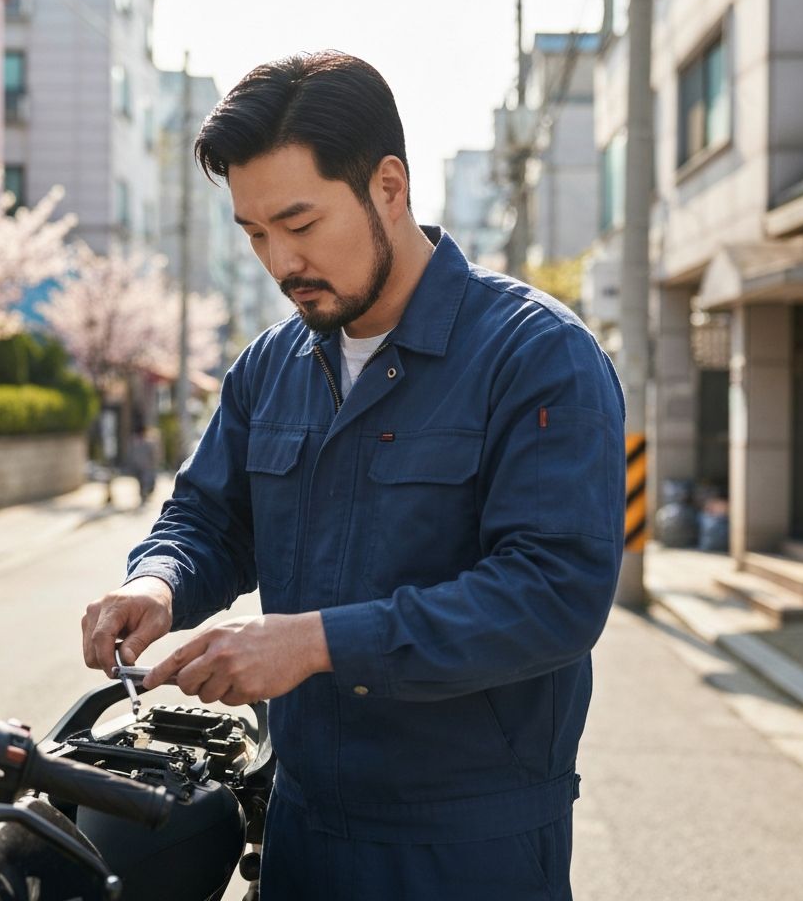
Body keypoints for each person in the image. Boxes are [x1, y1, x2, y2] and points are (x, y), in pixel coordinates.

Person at [81, 50, 625, 900]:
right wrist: (159, 585)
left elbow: (552, 596)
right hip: (299, 827)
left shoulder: (536, 355)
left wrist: (314, 643)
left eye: (300, 224)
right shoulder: (272, 364)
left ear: (389, 187)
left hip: (470, 845)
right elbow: (209, 519)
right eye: (255, 233)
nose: (279, 261)